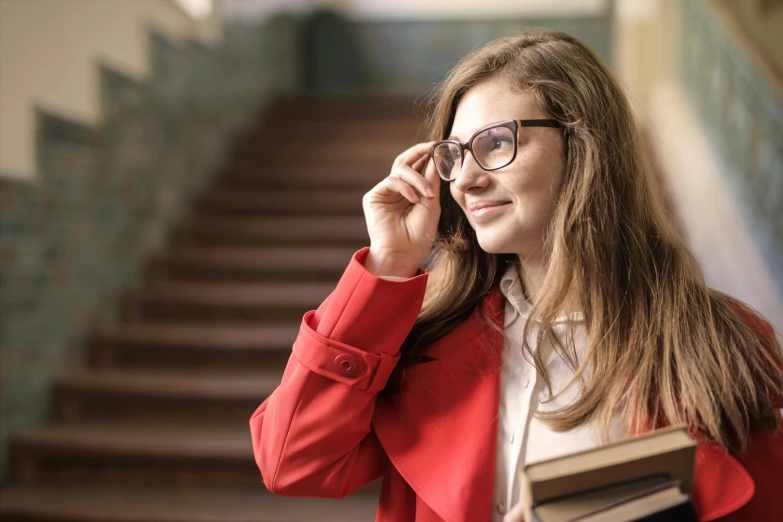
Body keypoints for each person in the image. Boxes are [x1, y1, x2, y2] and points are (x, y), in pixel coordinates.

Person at [249, 30, 783, 522]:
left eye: (497, 143)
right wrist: (388, 267)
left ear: (583, 146)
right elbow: (292, 462)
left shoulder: (718, 346)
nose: (468, 180)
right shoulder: (425, 342)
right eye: (455, 154)